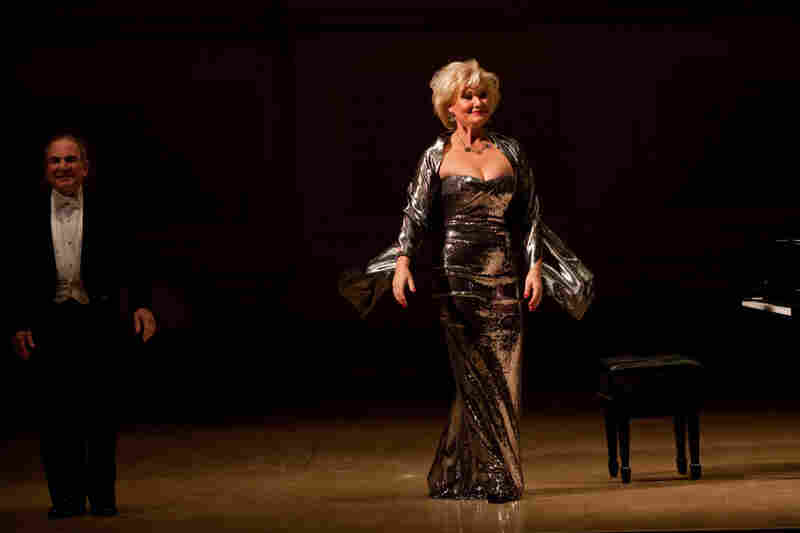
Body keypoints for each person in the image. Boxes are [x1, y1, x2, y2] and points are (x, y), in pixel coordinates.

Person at [340, 59, 594, 503]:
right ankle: (499, 476)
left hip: (504, 276)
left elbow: (530, 213)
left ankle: (455, 472)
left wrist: (535, 267)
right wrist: (401, 262)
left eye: (482, 96)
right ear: (449, 107)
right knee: (475, 377)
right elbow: (415, 215)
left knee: (503, 376)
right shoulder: (435, 155)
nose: (477, 103)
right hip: (454, 279)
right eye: (467, 97)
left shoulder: (510, 151)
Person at [9, 133, 157, 519]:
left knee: (100, 416)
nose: (63, 168)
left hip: (97, 320)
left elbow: (133, 256)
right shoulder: (25, 213)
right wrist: (18, 322)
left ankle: (103, 498)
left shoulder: (109, 208)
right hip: (50, 321)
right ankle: (66, 500)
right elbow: (12, 272)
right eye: (56, 161)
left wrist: (141, 304)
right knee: (56, 418)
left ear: (85, 168)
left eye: (71, 160)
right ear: (46, 170)